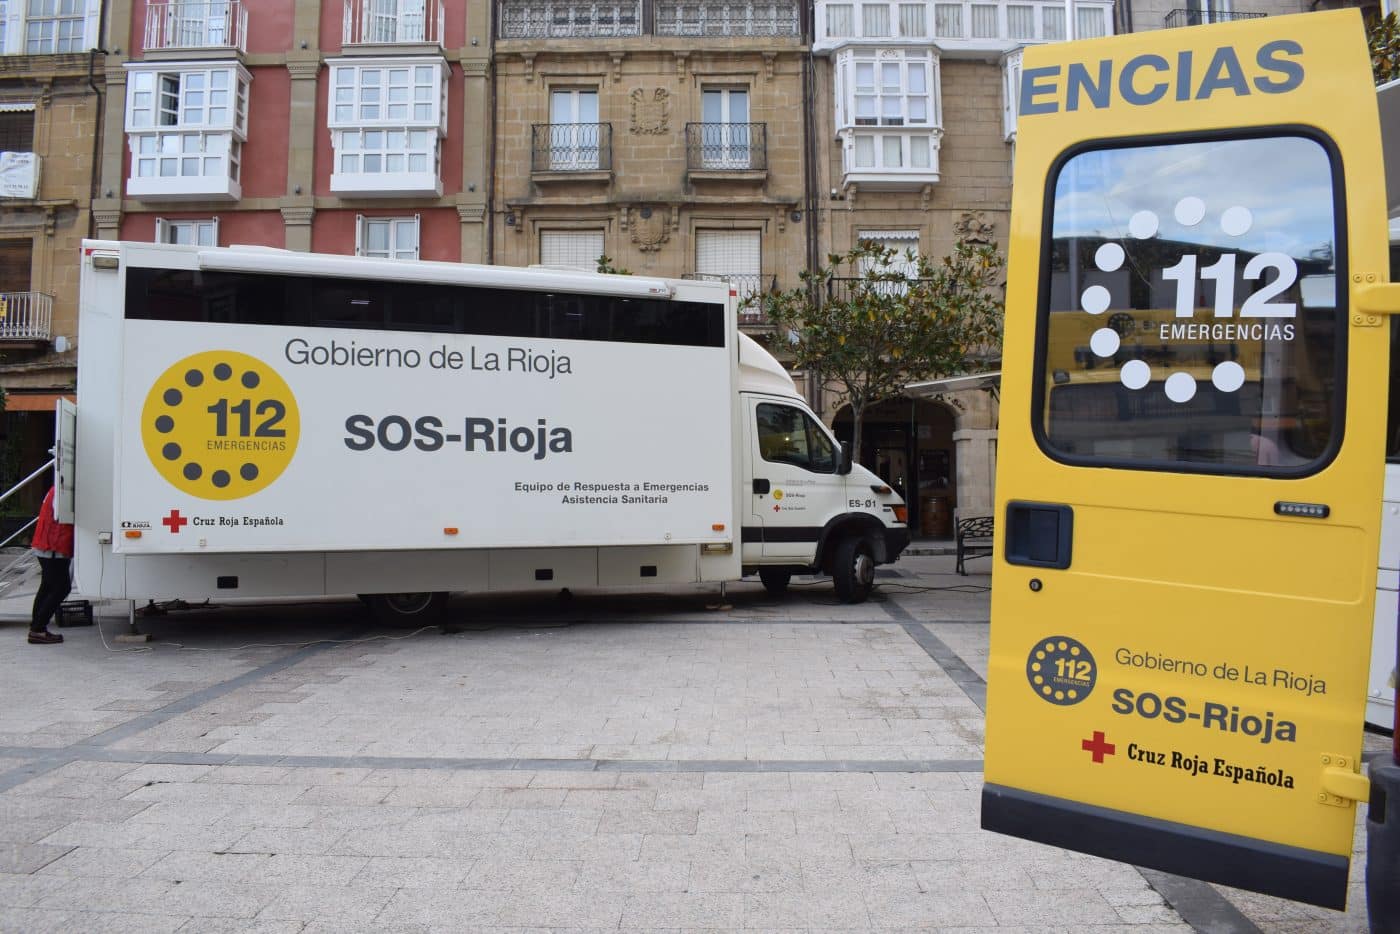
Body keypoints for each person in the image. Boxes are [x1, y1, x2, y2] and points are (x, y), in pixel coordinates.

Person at [29, 485, 72, 645]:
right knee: (61, 588)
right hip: (53, 545)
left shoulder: (56, 489)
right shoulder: (62, 492)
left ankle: (36, 627)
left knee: (47, 586)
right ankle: (38, 629)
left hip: (45, 544)